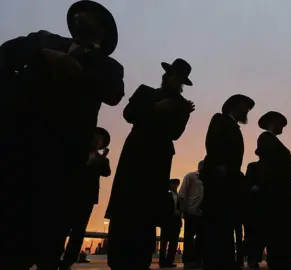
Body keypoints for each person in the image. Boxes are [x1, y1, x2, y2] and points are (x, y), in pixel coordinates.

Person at [0, 1, 124, 269]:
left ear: (101, 32)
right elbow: (5, 57)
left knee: (50, 238)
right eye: (82, 14)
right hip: (19, 148)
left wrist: (79, 72)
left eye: (92, 17)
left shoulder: (109, 66)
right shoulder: (44, 40)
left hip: (65, 159)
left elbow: (115, 94)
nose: (83, 17)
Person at [105, 58, 195, 270]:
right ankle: (117, 257)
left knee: (147, 208)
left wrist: (177, 111)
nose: (173, 80)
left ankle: (140, 258)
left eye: (178, 77)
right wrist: (156, 108)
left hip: (158, 158)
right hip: (135, 153)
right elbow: (129, 115)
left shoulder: (181, 105)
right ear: (167, 76)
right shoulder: (146, 92)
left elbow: (175, 133)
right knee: (126, 203)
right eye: (171, 75)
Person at [200, 94, 255, 270]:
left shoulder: (234, 127)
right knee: (216, 221)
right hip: (219, 178)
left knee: (225, 222)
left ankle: (225, 260)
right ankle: (215, 262)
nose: (247, 110)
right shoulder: (220, 119)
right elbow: (212, 142)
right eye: (245, 106)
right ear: (234, 106)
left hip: (229, 180)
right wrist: (218, 165)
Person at [60, 127, 112, 270]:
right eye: (96, 138)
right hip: (69, 194)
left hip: (87, 198)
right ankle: (53, 256)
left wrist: (102, 158)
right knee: (62, 226)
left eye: (100, 141)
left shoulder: (101, 159)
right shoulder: (77, 152)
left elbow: (107, 172)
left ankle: (68, 261)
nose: (97, 141)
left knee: (78, 230)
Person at [255, 111, 291, 269]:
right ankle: (277, 259)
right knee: (275, 224)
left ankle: (281, 258)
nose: (282, 128)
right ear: (273, 122)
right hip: (275, 187)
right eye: (280, 124)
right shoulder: (265, 138)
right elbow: (274, 163)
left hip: (281, 187)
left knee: (280, 224)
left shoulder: (272, 140)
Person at [179, 161, 205, 269]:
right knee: (189, 237)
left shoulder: (209, 179)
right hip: (191, 211)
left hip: (203, 213)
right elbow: (183, 193)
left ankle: (199, 259)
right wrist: (184, 209)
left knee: (202, 237)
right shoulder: (191, 176)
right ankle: (189, 260)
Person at [243, 159, 265, 269]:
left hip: (260, 205)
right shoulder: (253, 167)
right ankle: (253, 258)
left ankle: (254, 258)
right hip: (254, 205)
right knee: (253, 234)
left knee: (256, 234)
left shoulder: (253, 167)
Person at [159, 179, 183, 268]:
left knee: (174, 242)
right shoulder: (166, 195)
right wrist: (172, 212)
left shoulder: (178, 195)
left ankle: (169, 261)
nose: (176, 186)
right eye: (174, 184)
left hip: (176, 222)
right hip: (167, 221)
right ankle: (162, 261)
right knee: (164, 242)